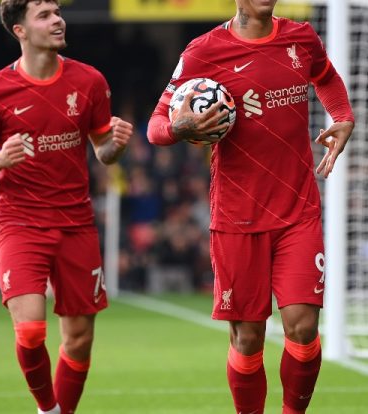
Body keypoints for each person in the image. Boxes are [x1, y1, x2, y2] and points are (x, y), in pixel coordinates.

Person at [147, 1, 354, 413]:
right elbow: (155, 126)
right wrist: (178, 128)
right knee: (247, 337)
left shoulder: (300, 37)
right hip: (237, 217)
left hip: (297, 210)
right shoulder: (203, 51)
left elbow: (327, 76)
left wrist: (343, 114)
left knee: (303, 328)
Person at [0, 1, 133, 413]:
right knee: (30, 331)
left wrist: (115, 146)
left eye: (57, 11)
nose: (57, 19)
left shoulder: (89, 81)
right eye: (44, 15)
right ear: (19, 30)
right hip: (20, 222)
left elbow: (102, 152)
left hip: (76, 222)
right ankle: (48, 408)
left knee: (79, 338)